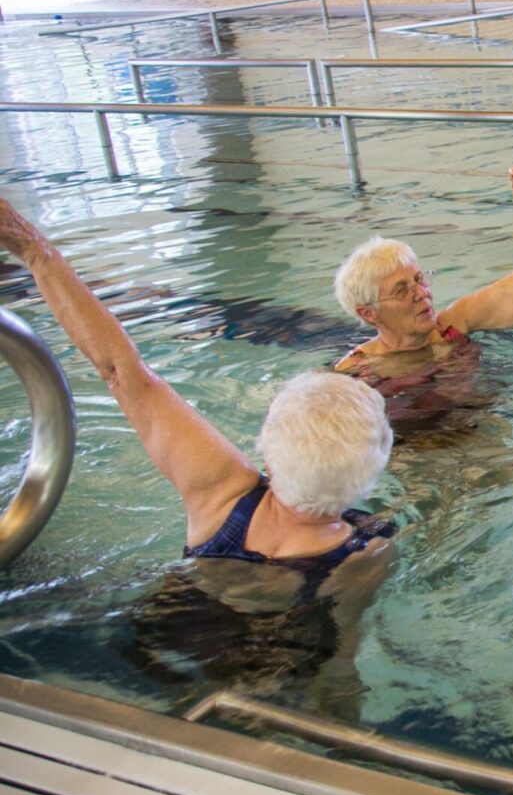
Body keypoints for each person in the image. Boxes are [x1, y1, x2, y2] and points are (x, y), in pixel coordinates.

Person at [0, 197, 396, 585]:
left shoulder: (222, 491)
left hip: (168, 632)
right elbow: (342, 647)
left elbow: (121, 369)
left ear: (269, 462)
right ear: (369, 476)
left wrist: (37, 251)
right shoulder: (365, 554)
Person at [332, 165, 513, 394]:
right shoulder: (355, 372)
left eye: (419, 279)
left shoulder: (454, 324)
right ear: (369, 313)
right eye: (401, 291)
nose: (421, 293)